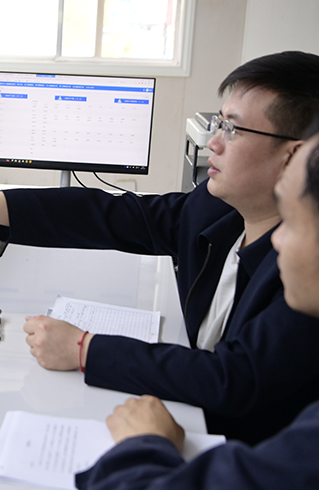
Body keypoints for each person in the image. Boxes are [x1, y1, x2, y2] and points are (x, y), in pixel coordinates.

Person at [0, 51, 319, 445]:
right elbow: (116, 215)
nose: (213, 143)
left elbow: (236, 377)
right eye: (216, 124)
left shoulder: (307, 269)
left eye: (233, 130)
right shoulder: (218, 209)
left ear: (295, 155)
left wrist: (85, 349)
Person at [75, 126, 319, 489]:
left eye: (295, 222)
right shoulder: (216, 207)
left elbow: (235, 378)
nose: (278, 240)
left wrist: (144, 444)